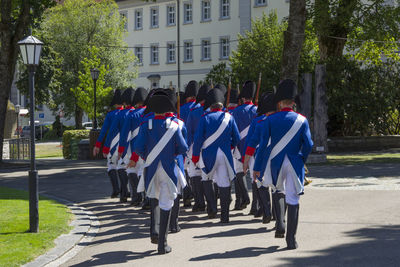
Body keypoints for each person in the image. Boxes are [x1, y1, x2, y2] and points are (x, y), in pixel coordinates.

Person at [253, 79, 313, 249]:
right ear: (293, 102)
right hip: (295, 163)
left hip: (276, 162)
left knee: (278, 191)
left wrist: (257, 168)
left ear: (279, 103)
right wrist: (302, 158)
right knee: (293, 199)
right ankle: (291, 240)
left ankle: (280, 224)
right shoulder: (302, 120)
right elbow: (308, 144)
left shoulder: (269, 120)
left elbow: (263, 146)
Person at [132, 90, 188, 254]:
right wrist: (171, 154)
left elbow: (138, 148)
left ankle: (155, 234)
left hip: (151, 169)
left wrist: (148, 157)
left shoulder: (145, 124)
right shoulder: (174, 125)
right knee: (166, 203)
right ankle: (162, 245)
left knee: (154, 198)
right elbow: (183, 147)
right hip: (169, 168)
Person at [192, 89, 240, 223]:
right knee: (224, 183)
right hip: (225, 155)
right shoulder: (229, 117)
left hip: (209, 155)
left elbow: (198, 140)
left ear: (210, 106)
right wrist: (229, 146)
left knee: (207, 179)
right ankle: (225, 216)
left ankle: (212, 209)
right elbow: (236, 138)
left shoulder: (204, 118)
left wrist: (195, 156)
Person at [243, 92, 276, 223]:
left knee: (261, 184)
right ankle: (276, 214)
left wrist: (245, 162)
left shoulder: (257, 121)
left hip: (260, 157)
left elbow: (250, 143)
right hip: (277, 157)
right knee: (276, 186)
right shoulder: (280, 119)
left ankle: (266, 211)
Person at [102, 87, 135, 203]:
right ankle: (126, 192)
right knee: (128, 167)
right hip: (131, 143)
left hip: (115, 144)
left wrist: (103, 146)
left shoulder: (113, 114)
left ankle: (119, 190)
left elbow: (107, 131)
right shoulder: (134, 112)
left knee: (112, 166)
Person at [119, 87, 148, 206]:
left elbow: (124, 135)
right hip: (147, 148)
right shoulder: (149, 114)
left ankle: (136, 197)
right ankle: (146, 198)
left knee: (132, 170)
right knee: (143, 171)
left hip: (134, 147)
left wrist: (121, 151)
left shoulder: (131, 115)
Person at [231, 81, 257, 211]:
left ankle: (245, 197)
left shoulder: (235, 112)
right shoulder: (257, 110)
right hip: (254, 146)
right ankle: (255, 206)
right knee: (255, 176)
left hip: (240, 145)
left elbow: (233, 131)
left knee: (239, 172)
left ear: (242, 98)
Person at [93, 89, 123, 198]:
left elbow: (104, 131)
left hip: (112, 144)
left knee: (111, 166)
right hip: (126, 144)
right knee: (124, 167)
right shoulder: (128, 113)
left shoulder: (111, 115)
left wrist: (98, 145)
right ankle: (125, 190)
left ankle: (116, 189)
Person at [186, 84, 211, 213]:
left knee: (194, 174)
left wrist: (189, 149)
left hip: (195, 146)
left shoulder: (194, 112)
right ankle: (210, 203)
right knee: (207, 175)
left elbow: (189, 132)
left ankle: (199, 202)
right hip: (210, 147)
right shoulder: (211, 112)